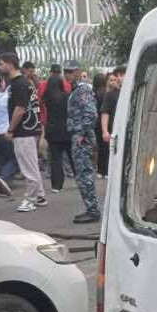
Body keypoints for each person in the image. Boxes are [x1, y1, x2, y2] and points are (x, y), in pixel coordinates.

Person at [0, 52, 46, 212]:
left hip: (24, 130)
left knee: (28, 167)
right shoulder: (24, 82)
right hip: (30, 129)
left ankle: (30, 199)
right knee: (31, 164)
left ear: (10, 64)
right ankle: (39, 195)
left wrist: (10, 129)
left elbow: (20, 109)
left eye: (1, 64)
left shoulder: (18, 84)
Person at [64, 60, 100, 223]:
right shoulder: (76, 90)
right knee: (82, 174)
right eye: (65, 72)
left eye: (70, 71)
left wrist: (82, 133)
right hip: (79, 135)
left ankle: (92, 210)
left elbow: (91, 114)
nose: (67, 75)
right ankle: (91, 208)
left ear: (78, 72)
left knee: (84, 174)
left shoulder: (82, 89)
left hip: (82, 137)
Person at [43, 69, 72, 192]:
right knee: (72, 155)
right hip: (66, 129)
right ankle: (81, 178)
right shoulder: (67, 96)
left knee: (55, 158)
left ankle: (56, 185)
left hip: (52, 129)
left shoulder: (46, 97)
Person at [99, 65, 125, 178]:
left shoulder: (133, 91)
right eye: (117, 76)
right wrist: (105, 131)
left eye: (122, 75)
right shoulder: (111, 94)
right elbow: (105, 113)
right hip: (116, 132)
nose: (119, 78)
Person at [92, 72, 107, 173]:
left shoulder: (93, 94)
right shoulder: (105, 94)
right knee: (104, 147)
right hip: (103, 121)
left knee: (98, 146)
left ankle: (98, 167)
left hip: (95, 122)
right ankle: (103, 168)